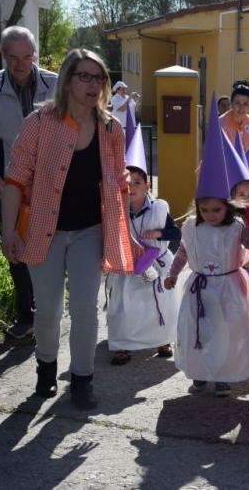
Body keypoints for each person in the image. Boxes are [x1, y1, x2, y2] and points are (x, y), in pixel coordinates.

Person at [1, 48, 137, 410]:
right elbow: (14, 180)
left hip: (90, 231)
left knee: (84, 308)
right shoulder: (40, 122)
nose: (94, 85)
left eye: (100, 78)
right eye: (85, 77)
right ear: (67, 80)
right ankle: (46, 367)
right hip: (43, 230)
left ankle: (81, 379)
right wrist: (8, 231)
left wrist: (127, 233)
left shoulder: (111, 128)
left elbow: (120, 183)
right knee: (46, 310)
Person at [0, 25, 58, 340]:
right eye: (13, 58)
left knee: (50, 250)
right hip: (10, 186)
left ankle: (48, 313)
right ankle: (25, 315)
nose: (21, 65)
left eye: (27, 57)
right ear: (3, 56)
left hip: (52, 186)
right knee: (16, 252)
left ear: (36, 54)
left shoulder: (57, 86)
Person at [164, 97, 249, 398]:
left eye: (216, 210)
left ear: (227, 207)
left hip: (230, 288)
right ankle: (201, 373)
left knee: (227, 332)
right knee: (200, 331)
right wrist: (173, 273)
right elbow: (182, 252)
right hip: (200, 288)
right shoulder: (192, 226)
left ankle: (225, 375)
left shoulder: (236, 226)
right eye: (204, 210)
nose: (210, 215)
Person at [105, 129, 181, 365]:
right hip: (126, 265)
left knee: (159, 303)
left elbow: (174, 233)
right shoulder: (117, 211)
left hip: (155, 265)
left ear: (147, 185)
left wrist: (159, 232)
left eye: (138, 182)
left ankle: (162, 339)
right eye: (128, 183)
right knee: (124, 304)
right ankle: (123, 344)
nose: (133, 187)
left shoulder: (159, 208)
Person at [219, 80, 249, 189]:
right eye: (237, 103)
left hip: (240, 172)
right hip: (221, 172)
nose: (241, 107)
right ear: (231, 104)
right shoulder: (221, 122)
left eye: (245, 104)